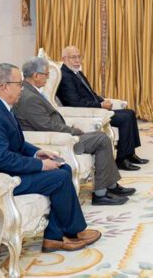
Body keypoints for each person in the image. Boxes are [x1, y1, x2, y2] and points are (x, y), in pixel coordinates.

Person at [0, 63, 101, 253]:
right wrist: (40, 165)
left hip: (3, 170)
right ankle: (64, 234)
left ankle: (56, 236)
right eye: (19, 84)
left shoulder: (0, 106)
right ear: (4, 87)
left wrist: (37, 153)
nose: (22, 88)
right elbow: (3, 159)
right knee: (59, 177)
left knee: (64, 168)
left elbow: (17, 143)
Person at [13, 57, 137, 206]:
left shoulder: (30, 91)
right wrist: (74, 131)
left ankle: (110, 186)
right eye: (46, 74)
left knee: (101, 137)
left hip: (61, 136)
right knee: (102, 139)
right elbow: (47, 126)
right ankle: (101, 194)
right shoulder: (29, 98)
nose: (48, 78)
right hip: (59, 141)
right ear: (36, 76)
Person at [56, 46, 146, 171]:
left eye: (79, 56)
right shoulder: (65, 76)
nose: (77, 60)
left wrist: (102, 101)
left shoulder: (77, 73)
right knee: (125, 118)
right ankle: (121, 159)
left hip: (96, 109)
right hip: (87, 114)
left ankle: (130, 153)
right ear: (64, 59)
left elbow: (91, 93)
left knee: (130, 113)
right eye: (73, 57)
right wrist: (100, 105)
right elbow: (74, 102)